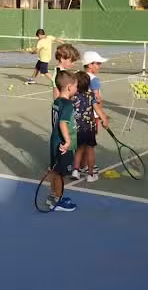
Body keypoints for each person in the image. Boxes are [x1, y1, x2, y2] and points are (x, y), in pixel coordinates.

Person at [47, 70, 78, 211]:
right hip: (61, 143)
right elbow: (63, 123)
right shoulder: (67, 104)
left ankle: (53, 196)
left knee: (54, 170)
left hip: (54, 141)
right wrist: (67, 141)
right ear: (70, 87)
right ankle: (58, 201)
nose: (76, 89)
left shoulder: (57, 101)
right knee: (60, 173)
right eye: (76, 86)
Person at [71, 71, 105, 182]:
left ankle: (75, 170)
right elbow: (96, 108)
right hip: (89, 128)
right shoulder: (91, 95)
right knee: (90, 150)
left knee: (79, 150)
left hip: (77, 128)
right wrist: (103, 118)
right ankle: (90, 174)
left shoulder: (73, 96)